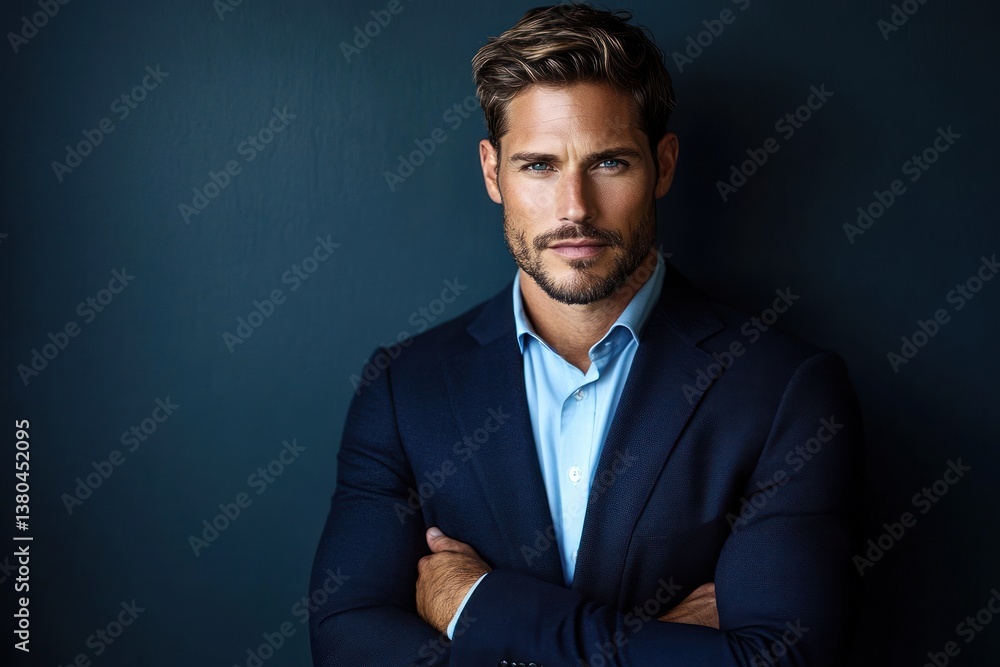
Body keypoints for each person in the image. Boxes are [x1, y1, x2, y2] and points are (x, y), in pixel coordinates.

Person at [309, 4, 863, 665]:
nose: (575, 208)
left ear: (662, 165)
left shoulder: (784, 391)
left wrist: (479, 606)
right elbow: (347, 640)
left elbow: (781, 660)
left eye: (608, 163)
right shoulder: (404, 388)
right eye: (539, 165)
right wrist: (657, 643)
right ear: (493, 173)